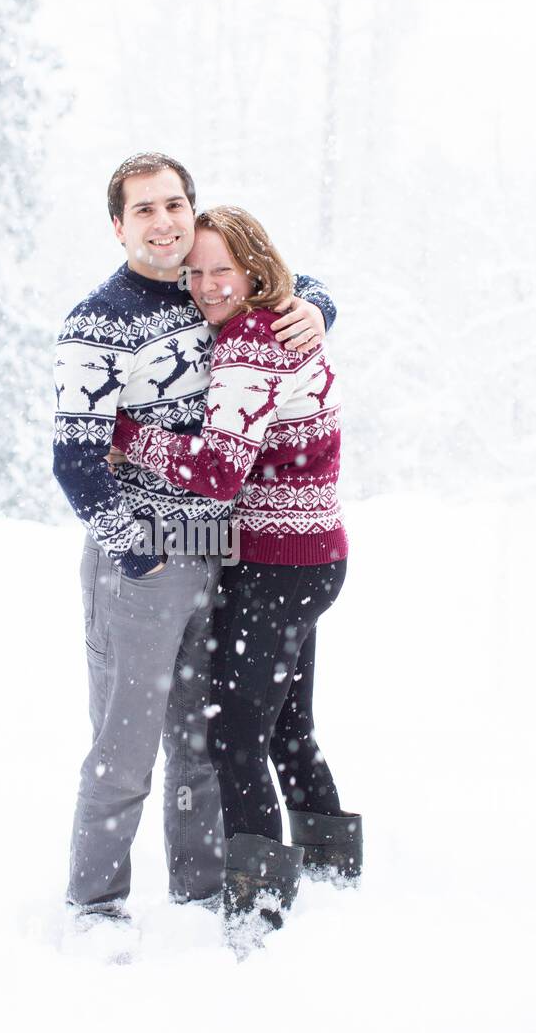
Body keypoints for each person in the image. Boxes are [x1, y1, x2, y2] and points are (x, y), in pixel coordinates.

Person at [52, 155, 337, 923]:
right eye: (143, 210)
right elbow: (75, 462)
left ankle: (203, 886)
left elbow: (274, 287)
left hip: (220, 549)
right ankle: (97, 904)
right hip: (141, 564)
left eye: (174, 204)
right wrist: (136, 548)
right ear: (119, 226)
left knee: (202, 742)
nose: (164, 221)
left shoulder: (197, 288)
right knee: (125, 749)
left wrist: (319, 305)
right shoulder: (99, 322)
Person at [109, 205, 361, 934]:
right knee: (288, 729)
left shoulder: (253, 340)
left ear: (254, 267)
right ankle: (334, 870)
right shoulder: (283, 314)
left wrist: (134, 436)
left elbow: (218, 472)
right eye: (195, 272)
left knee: (235, 738)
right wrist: (315, 302)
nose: (208, 285)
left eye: (223, 269)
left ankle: (260, 909)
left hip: (275, 566)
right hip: (317, 556)